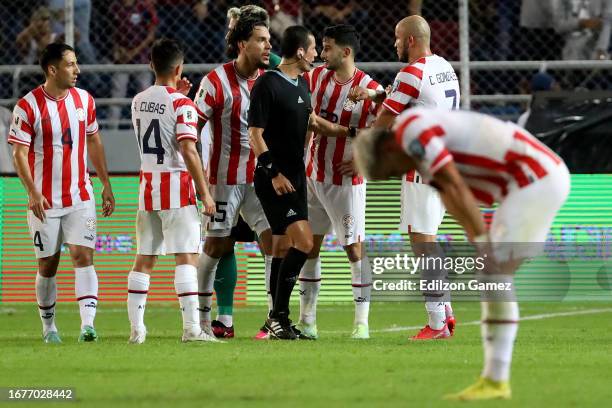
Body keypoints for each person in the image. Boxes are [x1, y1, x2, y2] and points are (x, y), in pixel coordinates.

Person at [354, 108, 570, 401]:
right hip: (524, 183)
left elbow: (454, 182)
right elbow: (448, 193)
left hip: (534, 179)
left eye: (391, 170)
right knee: (493, 275)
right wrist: (477, 238)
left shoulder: (413, 132)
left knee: (494, 275)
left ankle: (496, 380)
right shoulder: (417, 150)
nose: (398, 174)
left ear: (388, 148)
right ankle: (494, 380)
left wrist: (482, 239)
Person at [7, 43, 116, 343]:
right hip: (44, 201)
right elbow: (19, 153)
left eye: (77, 63)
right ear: (52, 69)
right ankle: (49, 327)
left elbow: (94, 141)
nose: (77, 70)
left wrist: (106, 184)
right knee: (48, 263)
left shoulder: (85, 100)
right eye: (71, 64)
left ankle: (88, 326)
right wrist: (31, 192)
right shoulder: (28, 106)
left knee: (83, 256)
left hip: (80, 195)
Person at [366, 15, 460, 340]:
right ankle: (445, 314)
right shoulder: (444, 66)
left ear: (409, 41)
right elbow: (414, 102)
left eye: (396, 38)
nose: (393, 44)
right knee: (430, 240)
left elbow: (383, 122)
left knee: (423, 244)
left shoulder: (411, 72)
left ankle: (436, 324)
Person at [127, 38, 219, 344]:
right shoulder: (184, 104)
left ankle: (137, 329)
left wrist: (177, 96)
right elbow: (188, 149)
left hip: (147, 186)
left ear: (151, 65)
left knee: (144, 258)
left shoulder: (138, 100)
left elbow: (158, 116)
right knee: (186, 257)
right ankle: (192, 329)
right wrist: (205, 192)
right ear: (179, 68)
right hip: (177, 187)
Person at [297, 24, 384, 340]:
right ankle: (308, 321)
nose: (322, 53)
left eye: (328, 47)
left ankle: (362, 323)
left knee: (353, 247)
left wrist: (362, 159)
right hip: (313, 175)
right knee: (309, 246)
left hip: (346, 182)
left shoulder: (369, 87)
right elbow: (306, 116)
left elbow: (384, 132)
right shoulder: (316, 77)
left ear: (346, 52)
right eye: (322, 46)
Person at [194, 5, 275, 339]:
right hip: (224, 180)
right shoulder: (214, 82)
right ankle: (201, 319)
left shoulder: (272, 79)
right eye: (261, 40)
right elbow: (190, 131)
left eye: (269, 40)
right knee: (216, 247)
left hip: (261, 178)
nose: (269, 47)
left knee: (275, 242)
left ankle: (275, 318)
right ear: (243, 44)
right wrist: (200, 184)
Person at [248, 25, 318, 340]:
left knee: (282, 246)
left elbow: (311, 123)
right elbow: (255, 134)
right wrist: (273, 172)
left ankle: (275, 322)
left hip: (296, 176)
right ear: (300, 51)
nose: (316, 54)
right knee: (304, 243)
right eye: (313, 47)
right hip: (275, 179)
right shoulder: (267, 84)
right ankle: (279, 317)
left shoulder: (303, 85)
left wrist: (351, 131)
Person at [109, 0, 158, 129]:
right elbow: (113, 33)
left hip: (141, 57)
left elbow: (151, 35)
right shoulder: (115, 7)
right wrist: (118, 51)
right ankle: (112, 128)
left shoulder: (144, 6)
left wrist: (134, 52)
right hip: (122, 59)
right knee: (117, 91)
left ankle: (143, 129)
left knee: (144, 92)